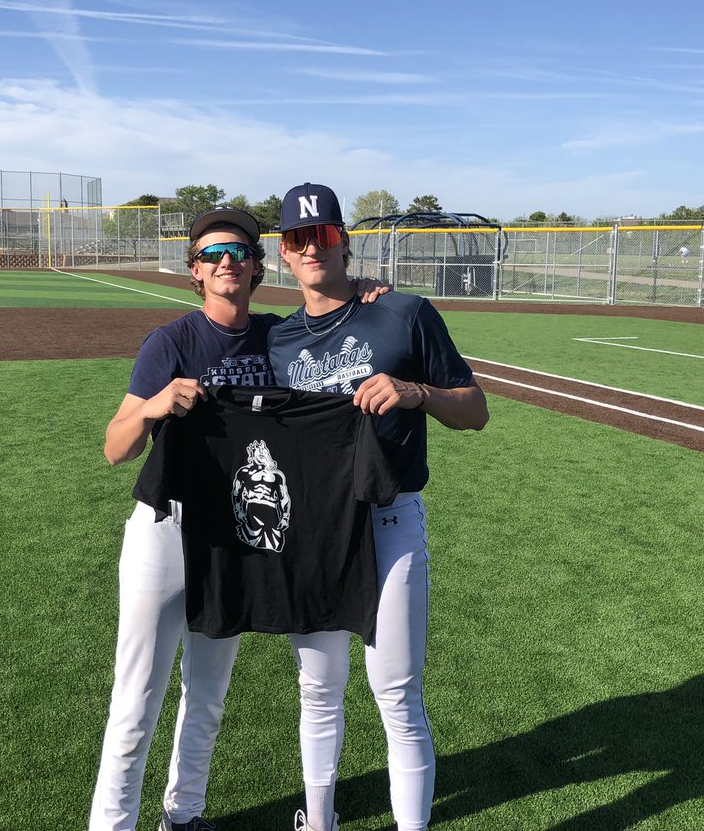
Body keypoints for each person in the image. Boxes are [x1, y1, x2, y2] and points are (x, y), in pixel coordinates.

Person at [92, 206, 388, 831]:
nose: (226, 262)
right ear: (194, 271)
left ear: (256, 266)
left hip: (231, 535)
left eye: (239, 252)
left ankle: (185, 813)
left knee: (208, 692)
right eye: (212, 254)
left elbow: (329, 324)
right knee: (137, 698)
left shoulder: (278, 338)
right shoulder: (170, 342)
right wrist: (154, 406)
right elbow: (116, 448)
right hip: (166, 529)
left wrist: (358, 291)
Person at [268, 182, 489, 831]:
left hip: (389, 523)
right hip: (313, 535)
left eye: (326, 235)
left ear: (345, 242)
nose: (313, 247)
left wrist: (416, 392)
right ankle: (321, 819)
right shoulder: (274, 341)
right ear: (284, 254)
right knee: (317, 691)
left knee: (396, 694)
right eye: (298, 239)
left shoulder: (404, 314)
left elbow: (475, 410)